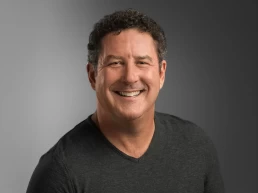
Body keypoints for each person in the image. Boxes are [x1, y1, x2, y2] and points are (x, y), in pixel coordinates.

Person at [26, 8, 224, 193]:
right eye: (115, 63)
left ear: (161, 73)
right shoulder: (59, 171)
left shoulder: (196, 147)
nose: (130, 77)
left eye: (142, 62)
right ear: (93, 76)